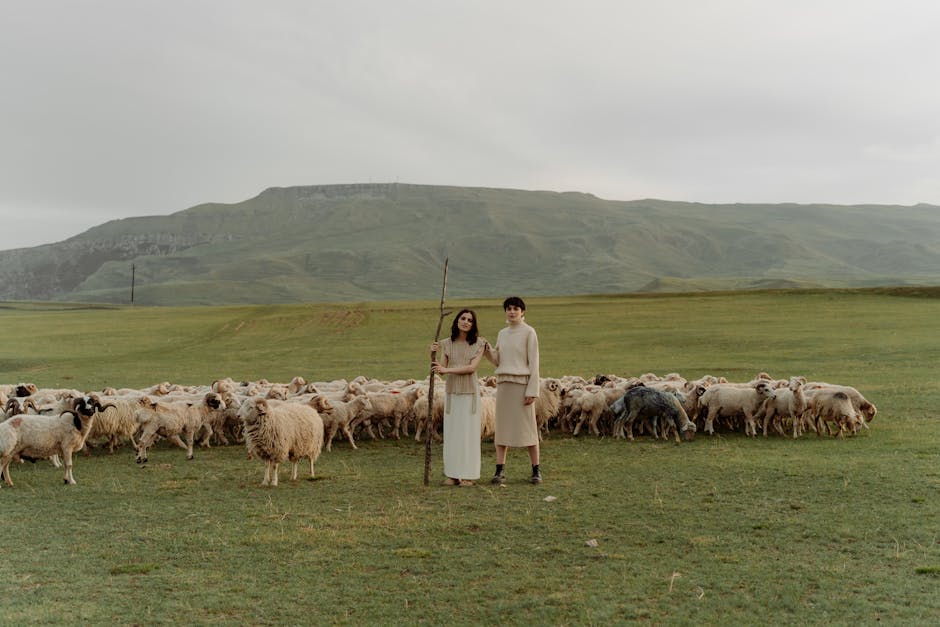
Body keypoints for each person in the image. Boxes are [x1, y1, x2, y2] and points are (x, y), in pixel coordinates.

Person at [483, 296, 541, 485]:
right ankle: (499, 470)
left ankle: (536, 470)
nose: (512, 311)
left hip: (522, 386)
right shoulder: (502, 333)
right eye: (508, 308)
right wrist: (487, 350)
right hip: (504, 385)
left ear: (522, 312)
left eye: (516, 308)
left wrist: (532, 390)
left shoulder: (529, 332)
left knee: (529, 429)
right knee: (502, 429)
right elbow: (498, 360)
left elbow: (534, 362)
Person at [430, 308, 487, 487]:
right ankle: (453, 475)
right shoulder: (446, 343)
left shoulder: (479, 343)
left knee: (468, 435)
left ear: (473, 325)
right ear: (456, 321)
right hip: (452, 393)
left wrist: (447, 370)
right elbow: (440, 368)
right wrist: (431, 354)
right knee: (453, 434)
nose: (466, 322)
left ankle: (468, 475)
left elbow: (471, 368)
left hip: (469, 394)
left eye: (470, 320)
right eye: (463, 318)